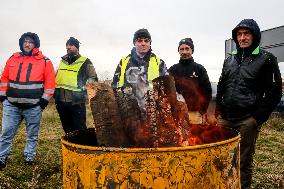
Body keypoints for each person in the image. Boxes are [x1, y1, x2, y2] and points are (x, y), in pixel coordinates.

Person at [214, 19, 282, 188]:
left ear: (254, 36)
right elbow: (221, 86)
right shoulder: (229, 60)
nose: (242, 38)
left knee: (242, 161)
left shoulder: (266, 59)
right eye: (239, 34)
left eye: (246, 34)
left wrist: (257, 118)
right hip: (226, 119)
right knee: (220, 157)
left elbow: (275, 91)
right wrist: (218, 110)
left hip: (247, 120)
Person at [0, 32, 55, 168]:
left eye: (30, 41)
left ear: (35, 44)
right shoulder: (13, 58)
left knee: (32, 135)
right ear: (21, 43)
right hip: (11, 105)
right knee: (6, 133)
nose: (27, 44)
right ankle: (1, 158)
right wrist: (3, 96)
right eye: (25, 41)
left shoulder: (45, 61)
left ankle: (29, 158)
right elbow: (4, 78)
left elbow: (50, 82)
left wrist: (44, 101)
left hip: (33, 107)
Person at [111, 28, 167, 116]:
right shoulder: (124, 61)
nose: (143, 43)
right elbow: (115, 85)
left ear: (150, 43)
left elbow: (167, 88)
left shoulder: (158, 62)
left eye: (146, 41)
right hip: (128, 111)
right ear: (134, 43)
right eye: (140, 40)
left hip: (152, 111)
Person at [55, 37, 98, 133]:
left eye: (71, 45)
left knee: (80, 129)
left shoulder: (85, 61)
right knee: (67, 130)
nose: (68, 47)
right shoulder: (62, 61)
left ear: (77, 47)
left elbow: (93, 78)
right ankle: (70, 147)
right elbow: (56, 76)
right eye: (67, 45)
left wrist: (84, 88)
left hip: (76, 102)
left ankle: (82, 147)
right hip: (61, 102)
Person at [168, 38, 212, 124]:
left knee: (195, 137)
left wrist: (202, 110)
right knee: (179, 137)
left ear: (192, 50)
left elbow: (207, 91)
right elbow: (168, 91)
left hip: (194, 114)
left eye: (187, 49)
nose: (184, 52)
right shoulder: (172, 70)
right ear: (179, 51)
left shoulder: (199, 69)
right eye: (182, 49)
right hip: (176, 114)